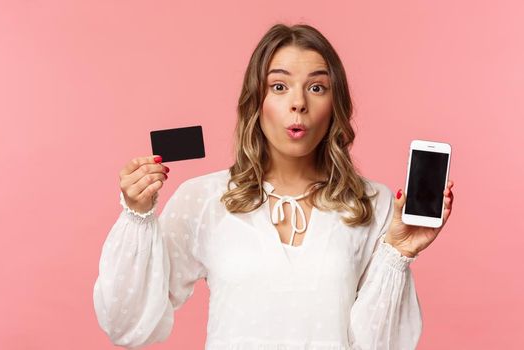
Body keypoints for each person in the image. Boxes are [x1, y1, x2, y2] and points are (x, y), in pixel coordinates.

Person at [93, 23, 455, 350]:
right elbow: (129, 326)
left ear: (335, 104)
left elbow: (380, 346)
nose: (298, 103)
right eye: (279, 86)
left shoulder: (372, 204)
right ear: (257, 100)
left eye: (317, 87)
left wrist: (398, 253)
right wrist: (138, 215)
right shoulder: (204, 198)